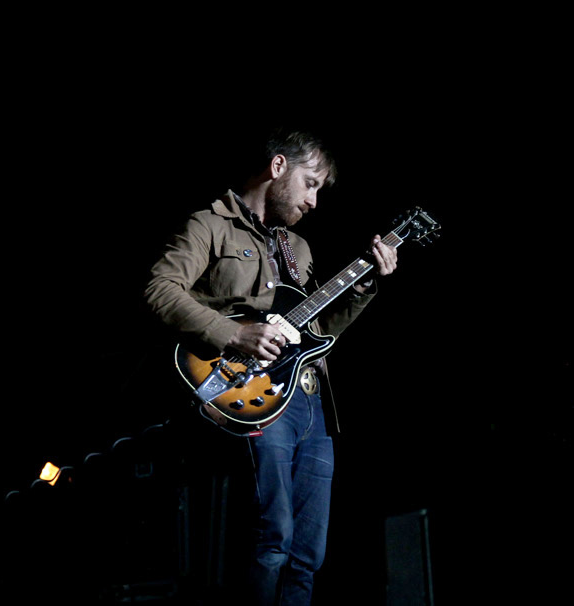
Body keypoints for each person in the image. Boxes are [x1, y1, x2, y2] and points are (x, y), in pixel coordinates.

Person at [142, 127, 399, 605]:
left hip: (310, 402)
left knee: (309, 553)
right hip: (251, 396)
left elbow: (316, 332)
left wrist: (363, 286)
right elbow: (160, 289)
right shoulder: (209, 224)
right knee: (272, 538)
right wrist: (233, 333)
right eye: (311, 184)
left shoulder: (297, 250)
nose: (314, 202)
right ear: (278, 167)